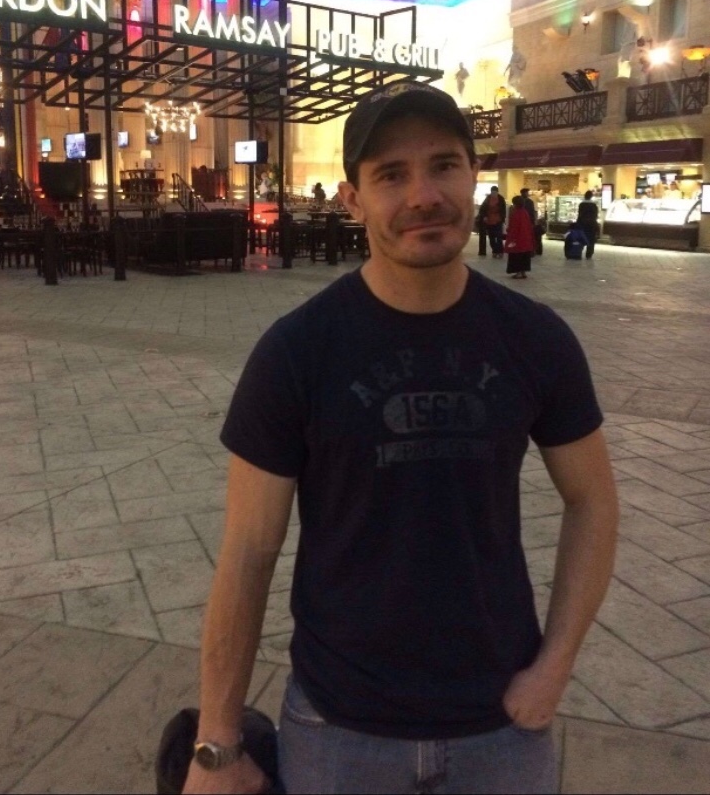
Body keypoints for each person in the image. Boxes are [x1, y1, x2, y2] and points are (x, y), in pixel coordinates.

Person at [183, 82, 618, 795]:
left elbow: (593, 501)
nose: (423, 195)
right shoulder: (297, 352)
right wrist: (216, 744)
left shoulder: (535, 339)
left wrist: (556, 664)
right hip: (338, 729)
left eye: (443, 165)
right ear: (352, 199)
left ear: (474, 177)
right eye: (390, 174)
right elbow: (248, 551)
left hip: (502, 726)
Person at [505, 194, 536, 279]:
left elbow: (514, 227)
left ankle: (518, 272)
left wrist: (510, 235)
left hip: (517, 239)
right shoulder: (525, 212)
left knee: (516, 256)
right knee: (524, 256)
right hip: (526, 239)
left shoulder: (516, 213)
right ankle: (523, 272)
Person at [477, 184, 507, 258]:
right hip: (489, 220)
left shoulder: (501, 199)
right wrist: (484, 216)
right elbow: (482, 208)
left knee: (499, 237)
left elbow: (503, 210)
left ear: (497, 192)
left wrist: (503, 219)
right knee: (491, 237)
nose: (494, 194)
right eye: (492, 192)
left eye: (495, 192)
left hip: (498, 220)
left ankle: (500, 251)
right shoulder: (488, 198)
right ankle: (494, 250)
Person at [575, 190, 599, 260]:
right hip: (592, 224)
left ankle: (579, 251)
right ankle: (589, 254)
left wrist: (578, 223)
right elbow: (596, 215)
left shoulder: (581, 204)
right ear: (591, 197)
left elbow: (580, 214)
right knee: (591, 239)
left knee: (581, 238)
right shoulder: (594, 205)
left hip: (582, 223)